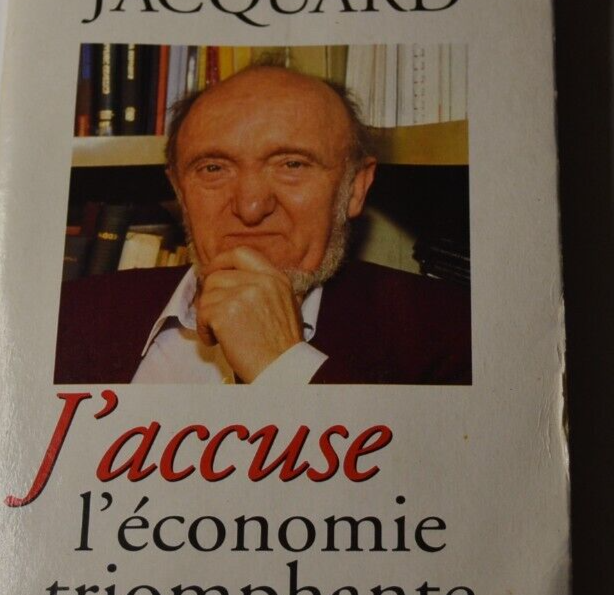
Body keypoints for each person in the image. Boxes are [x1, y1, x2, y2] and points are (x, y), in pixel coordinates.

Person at [55, 65, 471, 385]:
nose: (251, 208)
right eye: (214, 168)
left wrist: (284, 368)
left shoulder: (452, 334)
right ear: (180, 190)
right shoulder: (69, 319)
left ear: (356, 188)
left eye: (292, 165)